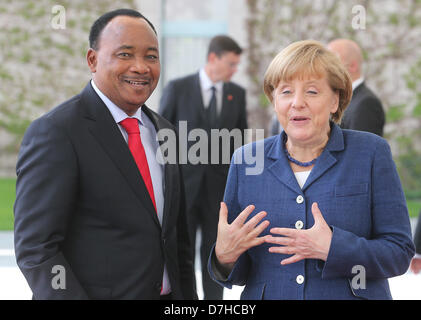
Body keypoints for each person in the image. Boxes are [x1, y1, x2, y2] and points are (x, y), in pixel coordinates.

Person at [208, 40, 415, 300]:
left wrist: (332, 248)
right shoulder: (246, 160)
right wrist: (224, 257)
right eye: (285, 92)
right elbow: (239, 271)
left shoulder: (371, 153)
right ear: (274, 101)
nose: (297, 103)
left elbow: (398, 253)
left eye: (312, 92)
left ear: (335, 100)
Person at [14, 9, 196, 300]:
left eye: (151, 56)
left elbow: (178, 242)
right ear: (92, 60)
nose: (141, 67)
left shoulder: (167, 133)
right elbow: (37, 249)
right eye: (125, 54)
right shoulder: (57, 132)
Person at [159, 35, 248, 300]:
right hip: (183, 190)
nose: (234, 71)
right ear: (213, 58)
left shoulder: (237, 94)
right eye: (231, 64)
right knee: (181, 251)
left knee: (214, 252)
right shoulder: (178, 88)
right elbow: (164, 137)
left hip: (218, 194)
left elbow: (240, 143)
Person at [327, 38, 385, 137]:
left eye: (332, 63)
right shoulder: (342, 100)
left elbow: (363, 149)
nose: (326, 68)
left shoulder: (366, 103)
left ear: (352, 66)